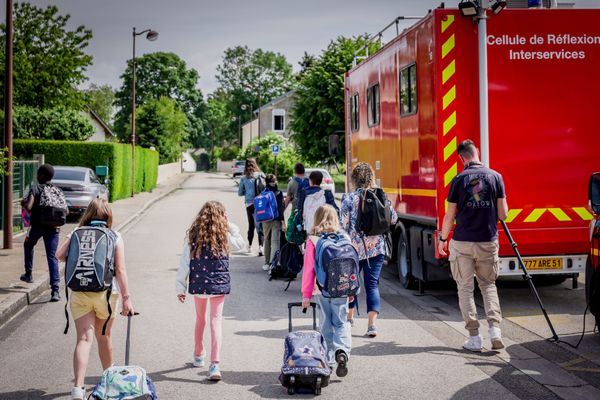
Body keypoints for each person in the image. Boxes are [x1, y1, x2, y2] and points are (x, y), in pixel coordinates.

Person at [55, 198, 134, 400]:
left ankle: (78, 388)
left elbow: (59, 255)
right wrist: (127, 298)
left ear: (88, 215)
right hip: (106, 295)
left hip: (80, 293)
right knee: (103, 337)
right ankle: (109, 381)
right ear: (108, 215)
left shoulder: (76, 233)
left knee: (83, 339)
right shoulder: (114, 236)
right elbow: (120, 270)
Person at [438, 139, 508, 352]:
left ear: (461, 158)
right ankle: (495, 330)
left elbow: (450, 216)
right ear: (476, 152)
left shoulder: (458, 180)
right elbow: (504, 214)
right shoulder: (496, 177)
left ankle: (474, 338)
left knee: (465, 289)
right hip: (488, 240)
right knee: (488, 285)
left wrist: (443, 240)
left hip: (463, 242)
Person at [176, 201, 245, 381]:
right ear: (222, 218)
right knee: (216, 322)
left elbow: (184, 263)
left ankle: (199, 355)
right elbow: (242, 244)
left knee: (200, 320)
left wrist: (180, 287)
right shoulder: (224, 237)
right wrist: (229, 225)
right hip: (217, 286)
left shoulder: (194, 238)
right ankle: (215, 365)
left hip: (199, 286)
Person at [342, 162, 397, 337]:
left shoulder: (349, 198)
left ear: (354, 179)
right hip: (376, 249)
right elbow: (393, 219)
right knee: (372, 285)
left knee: (350, 284)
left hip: (353, 249)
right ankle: (372, 325)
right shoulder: (381, 196)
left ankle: (349, 319)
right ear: (371, 178)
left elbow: (343, 223)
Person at [302, 204, 352, 377]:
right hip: (343, 288)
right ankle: (342, 351)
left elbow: (309, 270)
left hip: (322, 289)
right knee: (341, 322)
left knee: (326, 324)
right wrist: (352, 290)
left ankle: (328, 361)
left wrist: (306, 295)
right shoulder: (345, 237)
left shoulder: (313, 240)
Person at [20, 164, 63, 301]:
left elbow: (29, 206)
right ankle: (55, 291)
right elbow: (65, 210)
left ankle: (28, 274)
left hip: (37, 226)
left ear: (42, 176)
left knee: (28, 244)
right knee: (52, 257)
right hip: (54, 228)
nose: (37, 176)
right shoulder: (57, 190)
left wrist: (23, 204)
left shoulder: (35, 188)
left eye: (38, 174)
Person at [296, 170, 338, 235]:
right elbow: (335, 210)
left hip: (308, 227)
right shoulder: (326, 194)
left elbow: (299, 210)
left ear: (310, 180)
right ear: (321, 181)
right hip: (323, 227)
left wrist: (299, 226)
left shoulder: (303, 193)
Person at [238, 158, 265, 256]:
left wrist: (247, 191)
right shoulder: (261, 174)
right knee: (260, 225)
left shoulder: (244, 178)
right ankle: (261, 247)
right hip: (261, 203)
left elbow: (240, 193)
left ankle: (249, 246)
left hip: (249, 203)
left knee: (251, 225)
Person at [261, 174, 285, 271]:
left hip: (265, 219)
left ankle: (266, 263)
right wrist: (283, 221)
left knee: (267, 240)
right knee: (275, 241)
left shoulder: (263, 192)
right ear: (275, 182)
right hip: (276, 219)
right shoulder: (278, 193)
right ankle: (273, 263)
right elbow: (280, 208)